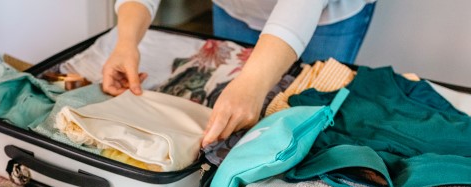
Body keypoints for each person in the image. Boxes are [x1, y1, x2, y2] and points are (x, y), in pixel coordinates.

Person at [102, 0, 376, 147]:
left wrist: (253, 82)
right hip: (235, 7)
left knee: (308, 121)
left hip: (325, 14)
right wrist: (126, 41)